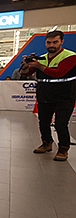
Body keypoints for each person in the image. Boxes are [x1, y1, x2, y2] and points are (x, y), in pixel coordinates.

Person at [21, 30, 76, 161]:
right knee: (43, 122)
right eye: (49, 42)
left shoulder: (70, 56)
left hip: (65, 96)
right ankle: (46, 143)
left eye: (55, 42)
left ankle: (63, 149)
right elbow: (26, 73)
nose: (51, 45)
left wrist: (38, 65)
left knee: (61, 124)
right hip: (45, 96)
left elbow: (58, 73)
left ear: (62, 42)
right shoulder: (43, 58)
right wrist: (25, 65)